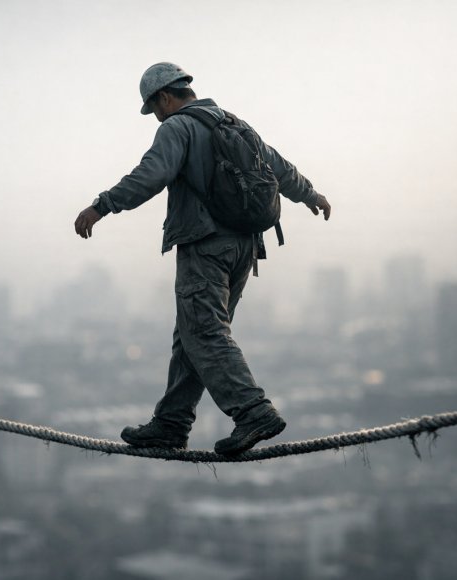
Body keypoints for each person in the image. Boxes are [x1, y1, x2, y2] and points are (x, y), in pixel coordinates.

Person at [73, 62, 332, 455]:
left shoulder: (177, 127)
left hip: (205, 243)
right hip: (245, 248)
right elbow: (280, 168)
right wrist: (311, 195)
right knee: (192, 335)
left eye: (154, 108)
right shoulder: (235, 124)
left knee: (205, 333)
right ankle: (171, 424)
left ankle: (252, 411)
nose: (155, 116)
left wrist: (102, 205)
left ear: (164, 97)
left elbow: (151, 174)